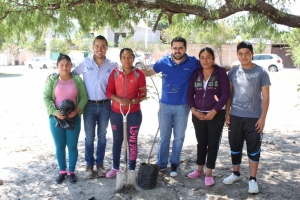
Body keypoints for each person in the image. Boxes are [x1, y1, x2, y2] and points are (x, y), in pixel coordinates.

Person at [142, 36, 199, 177]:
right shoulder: (163, 62)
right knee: (164, 137)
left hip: (183, 106)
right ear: (171, 48)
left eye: (180, 48)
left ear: (185, 48)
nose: (177, 50)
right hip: (165, 106)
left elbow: (210, 66)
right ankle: (161, 164)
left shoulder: (193, 63)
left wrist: (230, 67)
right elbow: (149, 72)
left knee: (179, 137)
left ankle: (174, 163)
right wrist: (133, 70)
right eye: (175, 48)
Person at [223, 41, 271, 194]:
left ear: (252, 54)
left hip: (254, 119)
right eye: (241, 53)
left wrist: (262, 118)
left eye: (247, 53)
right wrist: (227, 113)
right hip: (235, 117)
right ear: (237, 55)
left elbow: (266, 97)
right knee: (235, 146)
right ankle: (236, 173)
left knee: (254, 149)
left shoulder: (262, 72)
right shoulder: (233, 72)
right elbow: (229, 94)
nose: (244, 56)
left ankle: (252, 179)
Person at [72, 35, 118, 178]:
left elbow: (120, 81)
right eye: (97, 46)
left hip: (105, 105)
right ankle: (89, 166)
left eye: (103, 46)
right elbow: (71, 75)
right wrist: (54, 76)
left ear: (107, 48)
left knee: (102, 136)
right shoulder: (85, 63)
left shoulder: (113, 65)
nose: (100, 49)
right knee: (89, 137)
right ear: (93, 47)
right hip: (89, 106)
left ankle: (100, 165)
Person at [186, 47, 230, 186]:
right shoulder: (196, 73)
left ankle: (209, 172)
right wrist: (193, 110)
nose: (205, 60)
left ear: (213, 59)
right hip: (198, 114)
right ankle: (200, 169)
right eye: (202, 57)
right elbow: (189, 94)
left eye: (208, 57)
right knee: (201, 142)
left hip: (216, 114)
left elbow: (226, 94)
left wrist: (214, 111)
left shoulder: (220, 73)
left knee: (213, 143)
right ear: (199, 59)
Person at [43, 54, 88, 184]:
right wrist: (55, 112)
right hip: (56, 119)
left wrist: (76, 111)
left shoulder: (77, 80)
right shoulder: (52, 81)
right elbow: (46, 97)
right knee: (60, 146)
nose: (64, 67)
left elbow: (84, 97)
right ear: (57, 66)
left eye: (67, 64)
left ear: (71, 65)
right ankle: (62, 171)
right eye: (61, 65)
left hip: (73, 119)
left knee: (72, 146)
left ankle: (71, 172)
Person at [105, 48, 146, 177]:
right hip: (116, 113)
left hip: (133, 113)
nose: (127, 60)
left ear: (133, 58)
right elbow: (109, 92)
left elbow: (143, 94)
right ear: (120, 59)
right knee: (117, 140)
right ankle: (115, 167)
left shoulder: (139, 74)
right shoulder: (115, 73)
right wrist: (120, 100)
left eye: (129, 57)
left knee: (132, 141)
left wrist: (132, 101)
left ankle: (132, 168)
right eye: (124, 57)